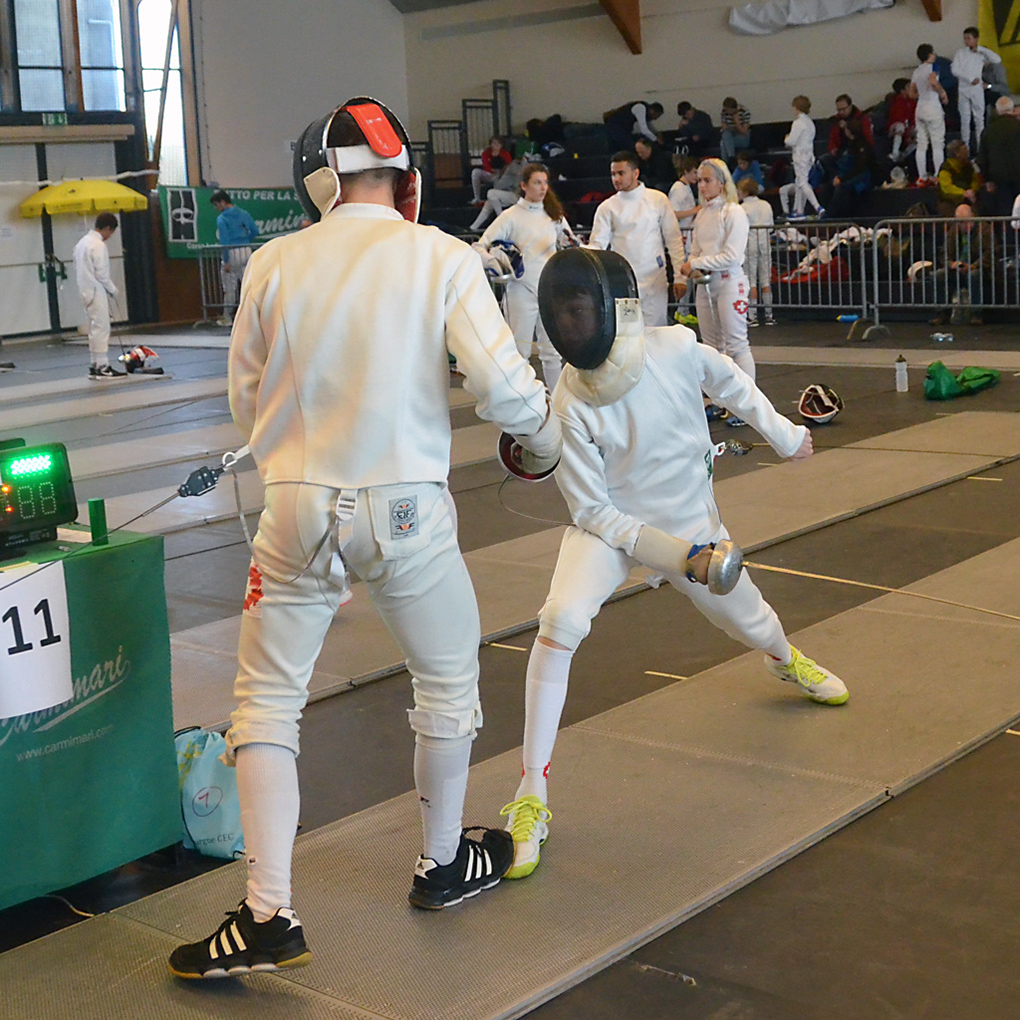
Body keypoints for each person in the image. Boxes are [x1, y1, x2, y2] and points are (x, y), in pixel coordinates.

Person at [166, 97, 561, 981]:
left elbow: (246, 398)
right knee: (446, 683)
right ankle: (442, 866)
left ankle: (267, 913)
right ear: (403, 175)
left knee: (266, 704)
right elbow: (504, 388)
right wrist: (542, 444)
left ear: (319, 181)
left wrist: (298, 457)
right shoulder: (441, 256)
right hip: (408, 510)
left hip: (295, 509)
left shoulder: (273, 261)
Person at [497, 246, 848, 881]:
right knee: (559, 621)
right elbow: (594, 512)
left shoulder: (677, 349)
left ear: (617, 309)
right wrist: (679, 558)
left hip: (691, 524)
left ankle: (782, 659)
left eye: (581, 310)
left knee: (754, 622)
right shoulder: (569, 402)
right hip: (613, 533)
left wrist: (787, 435)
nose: (572, 324)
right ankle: (530, 794)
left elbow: (733, 384)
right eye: (563, 313)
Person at [476, 162, 577, 391]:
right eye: (537, 183)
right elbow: (479, 246)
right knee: (519, 352)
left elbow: (571, 242)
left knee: (551, 351)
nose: (543, 188)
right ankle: (520, 399)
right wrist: (492, 261)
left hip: (549, 290)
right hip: (520, 291)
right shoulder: (511, 217)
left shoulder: (554, 216)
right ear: (524, 186)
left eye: (545, 182)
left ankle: (557, 399)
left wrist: (574, 246)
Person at [681, 159, 755, 426]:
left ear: (722, 183)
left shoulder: (733, 212)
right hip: (706, 285)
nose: (702, 185)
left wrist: (696, 264)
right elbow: (696, 250)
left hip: (730, 283)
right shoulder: (703, 214)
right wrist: (693, 266)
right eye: (699, 180)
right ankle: (718, 400)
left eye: (707, 180)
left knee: (737, 345)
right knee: (712, 348)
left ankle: (748, 406)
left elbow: (731, 256)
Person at [587, 150, 687, 327]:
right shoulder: (607, 207)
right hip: (622, 281)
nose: (616, 179)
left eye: (621, 173)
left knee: (656, 332)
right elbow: (597, 245)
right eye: (613, 174)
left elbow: (673, 239)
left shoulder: (658, 199)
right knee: (627, 334)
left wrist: (680, 277)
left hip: (654, 279)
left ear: (635, 173)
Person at [73, 212, 124, 380]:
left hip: (85, 291)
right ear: (108, 228)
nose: (110, 236)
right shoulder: (98, 245)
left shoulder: (82, 243)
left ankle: (95, 364)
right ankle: (103, 367)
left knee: (94, 328)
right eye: (111, 232)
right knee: (102, 328)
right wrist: (113, 290)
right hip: (96, 290)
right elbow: (101, 273)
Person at [931, 203, 995, 326]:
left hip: (980, 269)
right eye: (960, 222)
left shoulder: (984, 229)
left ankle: (976, 313)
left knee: (974, 275)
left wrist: (973, 266)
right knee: (938, 275)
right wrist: (951, 264)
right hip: (958, 269)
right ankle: (941, 312)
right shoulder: (953, 231)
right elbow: (944, 253)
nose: (964, 225)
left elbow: (990, 253)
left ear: (972, 217)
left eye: (966, 221)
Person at [210, 190, 259, 326]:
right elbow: (255, 231)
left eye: (216, 205)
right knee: (248, 285)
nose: (216, 208)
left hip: (231, 252)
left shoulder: (222, 219)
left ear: (222, 202)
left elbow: (224, 241)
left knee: (230, 288)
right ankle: (254, 316)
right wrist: (245, 240)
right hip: (246, 250)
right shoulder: (244, 213)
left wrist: (226, 261)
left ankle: (227, 317)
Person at [951, 27, 1002, 152]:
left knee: (979, 119)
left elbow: (997, 59)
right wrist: (969, 79)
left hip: (976, 89)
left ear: (976, 39)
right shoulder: (960, 53)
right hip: (963, 89)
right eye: (965, 39)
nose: (966, 41)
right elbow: (955, 70)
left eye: (969, 38)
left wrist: (981, 49)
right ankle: (965, 149)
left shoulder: (981, 53)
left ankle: (981, 150)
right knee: (965, 119)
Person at [738, 177, 775, 326]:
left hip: (750, 244)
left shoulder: (742, 208)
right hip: (765, 243)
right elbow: (771, 227)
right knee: (766, 279)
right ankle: (769, 315)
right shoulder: (766, 205)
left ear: (745, 192)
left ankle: (752, 316)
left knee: (751, 280)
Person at [780, 96, 823, 220]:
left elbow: (791, 141)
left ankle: (818, 207)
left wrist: (786, 138)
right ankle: (799, 210)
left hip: (800, 156)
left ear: (797, 107)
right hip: (809, 155)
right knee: (799, 183)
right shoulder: (810, 122)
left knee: (803, 183)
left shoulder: (798, 123)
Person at [911, 44, 949, 184]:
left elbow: (911, 93)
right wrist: (942, 92)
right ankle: (938, 175)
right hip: (933, 107)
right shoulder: (934, 67)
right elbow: (933, 82)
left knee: (921, 144)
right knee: (937, 143)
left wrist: (922, 95)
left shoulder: (916, 71)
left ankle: (922, 176)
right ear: (929, 55)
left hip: (920, 108)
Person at [976, 96, 1020, 216]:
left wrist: (988, 180)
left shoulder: (988, 131)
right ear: (1012, 109)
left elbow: (982, 160)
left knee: (1005, 213)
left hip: (999, 180)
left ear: (997, 111)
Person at [469, 154, 528, 231]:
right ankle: (473, 227)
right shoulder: (507, 170)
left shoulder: (510, 170)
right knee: (489, 202)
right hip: (510, 194)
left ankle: (501, 219)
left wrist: (497, 176)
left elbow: (498, 187)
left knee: (491, 193)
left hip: (518, 195)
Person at [937, 140, 982, 215]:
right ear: (957, 154)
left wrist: (973, 190)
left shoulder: (970, 166)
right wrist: (963, 193)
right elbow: (946, 188)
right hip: (950, 203)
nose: (967, 151)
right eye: (964, 149)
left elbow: (975, 180)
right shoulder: (946, 168)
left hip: (969, 200)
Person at [471, 135, 513, 205]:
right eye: (494, 143)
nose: (496, 145)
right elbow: (486, 165)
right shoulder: (486, 153)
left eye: (498, 143)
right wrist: (491, 171)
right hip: (489, 174)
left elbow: (510, 165)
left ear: (501, 145)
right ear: (491, 144)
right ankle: (477, 198)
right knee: (475, 172)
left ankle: (496, 199)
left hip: (501, 175)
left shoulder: (505, 153)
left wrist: (501, 172)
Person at [886, 78, 916, 163]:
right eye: (908, 87)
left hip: (907, 127)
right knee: (900, 126)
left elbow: (914, 118)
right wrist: (907, 136)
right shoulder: (897, 102)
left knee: (922, 133)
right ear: (902, 90)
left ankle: (906, 154)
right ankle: (895, 153)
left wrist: (912, 127)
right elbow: (899, 119)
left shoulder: (912, 102)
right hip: (894, 128)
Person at [720, 96, 752, 163]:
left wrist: (737, 122)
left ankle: (726, 163)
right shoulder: (724, 112)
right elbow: (724, 127)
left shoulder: (744, 112)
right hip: (730, 136)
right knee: (725, 137)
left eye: (728, 110)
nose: (727, 112)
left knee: (724, 143)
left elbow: (744, 132)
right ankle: (731, 157)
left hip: (742, 138)